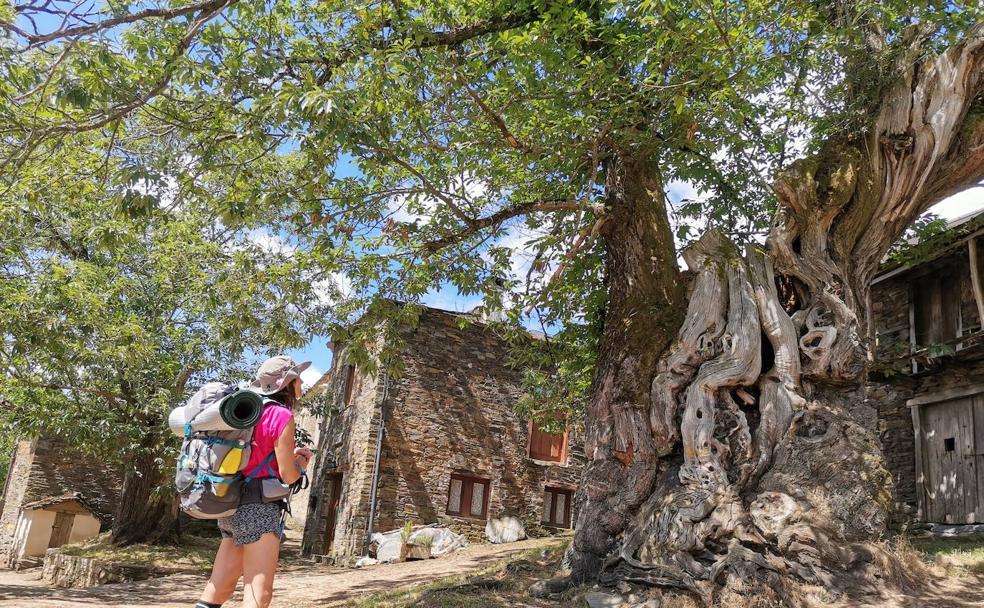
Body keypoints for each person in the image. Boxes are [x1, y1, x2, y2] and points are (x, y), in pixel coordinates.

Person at [195, 356, 314, 608]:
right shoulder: (280, 415)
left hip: (229, 504)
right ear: (287, 383)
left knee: (219, 587)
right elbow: (287, 475)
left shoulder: (244, 411)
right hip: (259, 510)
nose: (302, 382)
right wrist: (301, 465)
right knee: (258, 594)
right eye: (298, 378)